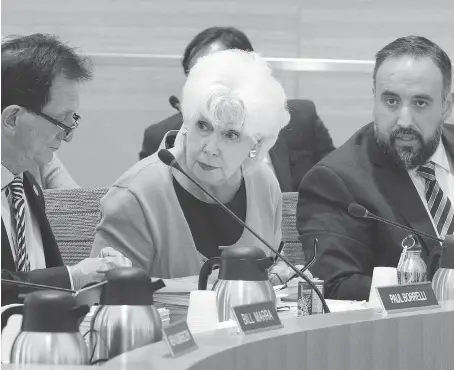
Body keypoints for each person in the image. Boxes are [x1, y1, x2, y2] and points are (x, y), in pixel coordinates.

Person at [91, 49, 290, 278]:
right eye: (203, 126)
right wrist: (213, 286)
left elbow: (271, 267)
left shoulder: (264, 184)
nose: (210, 148)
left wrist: (278, 275)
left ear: (257, 143)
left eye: (231, 135)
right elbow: (102, 291)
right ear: (186, 119)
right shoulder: (136, 195)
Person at [296, 36, 454, 301]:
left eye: (420, 103)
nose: (404, 120)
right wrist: (441, 290)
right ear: (375, 99)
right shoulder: (336, 180)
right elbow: (336, 285)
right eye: (391, 101)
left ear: (446, 107)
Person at [1, 34, 131, 305]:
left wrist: (94, 279)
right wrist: (72, 277)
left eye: (73, 120)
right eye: (60, 120)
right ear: (12, 118)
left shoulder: (25, 185)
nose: (68, 135)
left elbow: (38, 288)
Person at [139, 26, 335, 192]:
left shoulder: (300, 118)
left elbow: (335, 184)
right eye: (195, 75)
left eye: (215, 73)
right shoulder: (162, 137)